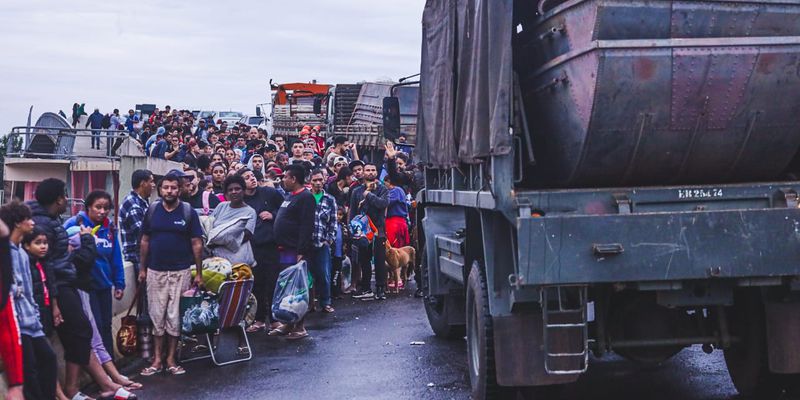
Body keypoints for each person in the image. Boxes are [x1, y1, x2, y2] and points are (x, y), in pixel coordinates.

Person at [138, 173, 204, 377]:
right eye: (165, 187)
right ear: (160, 189)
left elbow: (196, 243)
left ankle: (171, 359)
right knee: (157, 316)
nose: (169, 191)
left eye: (173, 188)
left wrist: (199, 273)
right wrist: (142, 269)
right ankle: (157, 360)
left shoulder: (188, 212)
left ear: (179, 190)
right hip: (155, 271)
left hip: (181, 271)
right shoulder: (152, 211)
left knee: (175, 318)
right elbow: (145, 241)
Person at [0, 202, 58, 400]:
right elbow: (11, 289)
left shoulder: (22, 253)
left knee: (49, 360)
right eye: (28, 219)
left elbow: (28, 291)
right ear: (18, 223)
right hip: (15, 322)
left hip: (30, 321)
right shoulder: (6, 252)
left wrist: (35, 316)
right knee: (29, 370)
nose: (32, 223)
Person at [64, 190, 125, 357]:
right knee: (95, 326)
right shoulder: (74, 225)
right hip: (85, 286)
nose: (102, 212)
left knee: (106, 325)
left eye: (106, 208)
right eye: (98, 207)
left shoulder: (109, 228)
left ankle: (110, 365)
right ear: (88, 207)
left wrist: (119, 283)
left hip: (104, 286)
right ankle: (101, 371)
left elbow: (116, 257)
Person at [269, 164, 316, 340]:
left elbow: (306, 225)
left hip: (295, 251)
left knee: (299, 288)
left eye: (285, 177)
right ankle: (288, 323)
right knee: (286, 288)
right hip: (282, 249)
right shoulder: (289, 196)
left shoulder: (306, 197)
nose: (283, 180)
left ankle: (300, 325)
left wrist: (301, 252)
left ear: (293, 179)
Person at [238, 169, 284, 333]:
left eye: (252, 176)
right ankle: (258, 319)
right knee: (256, 284)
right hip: (251, 247)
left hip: (271, 245)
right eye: (246, 177)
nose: (251, 179)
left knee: (272, 282)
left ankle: (274, 318)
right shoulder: (241, 200)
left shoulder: (269, 193)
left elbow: (285, 209)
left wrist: (273, 215)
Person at [349, 163, 389, 300]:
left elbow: (382, 204)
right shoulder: (356, 191)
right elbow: (353, 211)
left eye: (373, 170)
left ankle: (380, 288)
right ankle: (366, 288)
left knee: (379, 260)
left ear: (377, 172)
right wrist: (352, 230)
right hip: (362, 231)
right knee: (364, 260)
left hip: (378, 229)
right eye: (368, 170)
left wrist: (369, 195)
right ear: (363, 172)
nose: (370, 172)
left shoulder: (383, 189)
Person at [207, 175, 256, 267]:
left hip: (238, 261)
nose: (234, 192)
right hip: (217, 260)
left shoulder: (250, 212)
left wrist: (215, 240)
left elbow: (243, 236)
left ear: (244, 190)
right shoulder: (221, 206)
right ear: (226, 193)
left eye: (237, 189)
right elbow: (209, 226)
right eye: (230, 190)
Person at [309, 170, 338, 313]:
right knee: (307, 275)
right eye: (315, 180)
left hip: (322, 242)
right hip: (306, 243)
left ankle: (325, 302)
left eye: (320, 180)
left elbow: (333, 221)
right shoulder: (305, 197)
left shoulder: (329, 199)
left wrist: (329, 239)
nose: (318, 183)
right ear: (310, 181)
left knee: (324, 273)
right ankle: (309, 303)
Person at [119, 169, 155, 278]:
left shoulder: (142, 202)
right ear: (142, 184)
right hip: (137, 259)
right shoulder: (133, 204)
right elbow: (142, 235)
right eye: (151, 181)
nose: (153, 185)